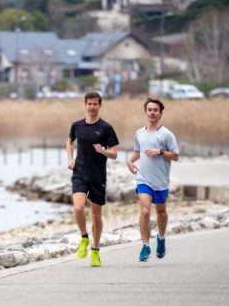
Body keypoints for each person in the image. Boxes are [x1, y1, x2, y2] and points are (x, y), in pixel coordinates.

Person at [67, 92, 119, 267]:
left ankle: (95, 251)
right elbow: (70, 142)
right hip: (80, 173)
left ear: (100, 105)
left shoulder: (106, 128)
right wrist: (70, 158)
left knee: (96, 215)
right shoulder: (77, 125)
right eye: (89, 104)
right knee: (78, 207)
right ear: (85, 105)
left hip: (98, 176)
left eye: (95, 104)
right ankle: (84, 238)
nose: (92, 107)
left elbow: (114, 154)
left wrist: (103, 150)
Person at [127, 98, 180, 262]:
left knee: (161, 212)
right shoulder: (139, 133)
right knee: (145, 211)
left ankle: (161, 238)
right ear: (145, 112)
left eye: (155, 110)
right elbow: (138, 151)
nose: (152, 112)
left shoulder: (167, 134)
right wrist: (130, 161)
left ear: (160, 113)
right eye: (149, 110)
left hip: (161, 181)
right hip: (143, 179)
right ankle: (145, 246)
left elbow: (176, 156)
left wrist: (160, 152)